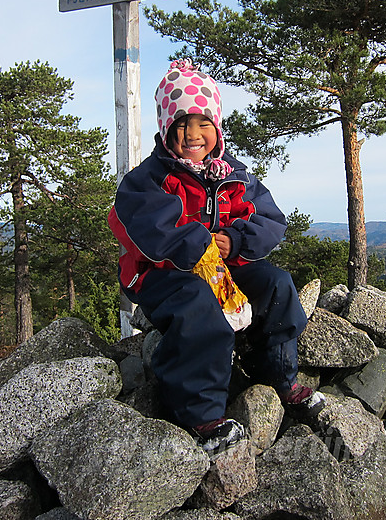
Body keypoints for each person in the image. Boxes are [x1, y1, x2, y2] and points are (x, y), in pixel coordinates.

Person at [108, 59, 324, 453]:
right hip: (163, 274)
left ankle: (276, 376)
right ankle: (201, 413)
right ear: (166, 129)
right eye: (182, 125)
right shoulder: (149, 178)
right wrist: (201, 246)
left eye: (203, 123)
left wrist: (235, 241)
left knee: (277, 285)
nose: (193, 134)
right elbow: (145, 226)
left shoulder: (233, 174)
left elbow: (272, 220)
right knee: (197, 304)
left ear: (217, 128)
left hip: (227, 269)